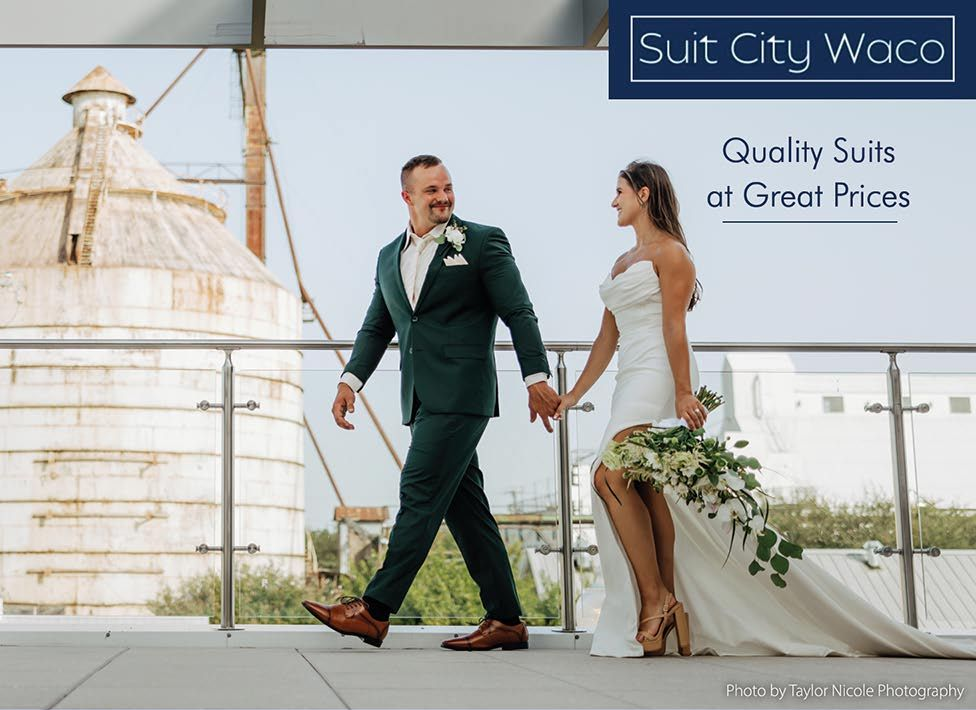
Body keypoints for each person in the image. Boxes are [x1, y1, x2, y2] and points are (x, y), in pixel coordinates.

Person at [556, 160, 976, 659]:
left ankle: (656, 600)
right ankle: (665, 604)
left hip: (660, 373)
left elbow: (675, 327)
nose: (613, 200)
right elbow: (607, 339)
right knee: (642, 484)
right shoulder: (622, 263)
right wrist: (574, 395)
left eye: (620, 191)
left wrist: (686, 391)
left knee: (609, 474)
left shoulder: (674, 255)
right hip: (630, 373)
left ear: (644, 194)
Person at [303, 154, 560, 651]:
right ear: (407, 197)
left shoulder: (484, 241)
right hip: (420, 398)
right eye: (431, 191)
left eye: (447, 188)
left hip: (464, 394)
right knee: (467, 511)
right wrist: (349, 382)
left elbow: (519, 311)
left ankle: (374, 611)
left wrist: (535, 376)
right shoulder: (387, 256)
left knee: (418, 491)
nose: (443, 198)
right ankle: (506, 619)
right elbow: (378, 325)